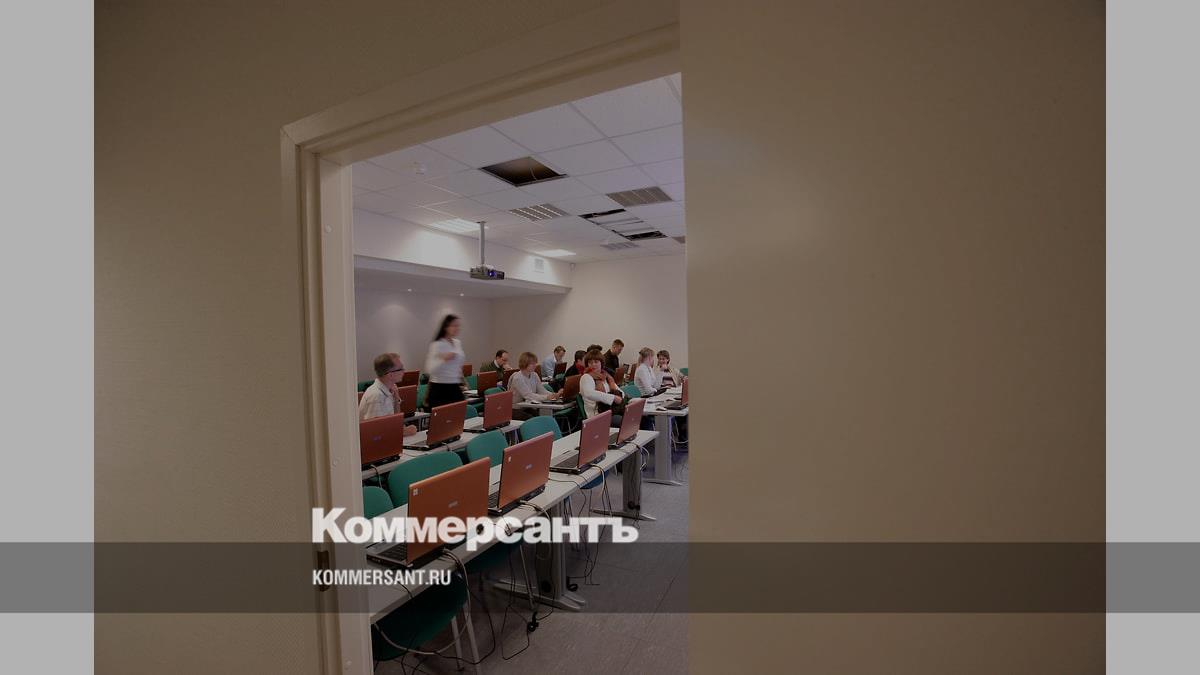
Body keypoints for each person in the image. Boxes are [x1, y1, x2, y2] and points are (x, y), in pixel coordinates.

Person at [357, 354, 418, 437]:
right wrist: (404, 432)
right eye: (400, 369)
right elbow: (376, 433)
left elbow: (395, 421)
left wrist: (396, 399)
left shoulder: (388, 389)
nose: (403, 371)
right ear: (390, 375)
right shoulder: (376, 396)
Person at [424, 315, 466, 409]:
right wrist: (444, 359)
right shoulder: (437, 344)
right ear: (446, 327)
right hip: (440, 388)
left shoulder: (457, 343)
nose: (457, 328)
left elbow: (458, 365)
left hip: (454, 386)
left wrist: (462, 380)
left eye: (458, 326)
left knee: (459, 414)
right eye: (454, 325)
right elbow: (429, 369)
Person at [508, 352, 562, 420]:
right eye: (532, 364)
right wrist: (547, 397)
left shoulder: (534, 375)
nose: (535, 365)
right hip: (515, 409)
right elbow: (528, 395)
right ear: (525, 364)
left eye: (535, 363)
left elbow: (541, 390)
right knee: (534, 419)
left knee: (540, 418)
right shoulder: (518, 378)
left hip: (526, 407)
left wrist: (554, 395)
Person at [578, 349, 623, 418]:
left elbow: (618, 390)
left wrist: (626, 399)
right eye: (590, 362)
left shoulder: (606, 376)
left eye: (596, 362)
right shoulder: (586, 377)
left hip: (610, 411)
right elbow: (589, 393)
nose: (593, 365)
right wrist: (613, 398)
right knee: (623, 419)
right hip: (597, 415)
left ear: (601, 363)